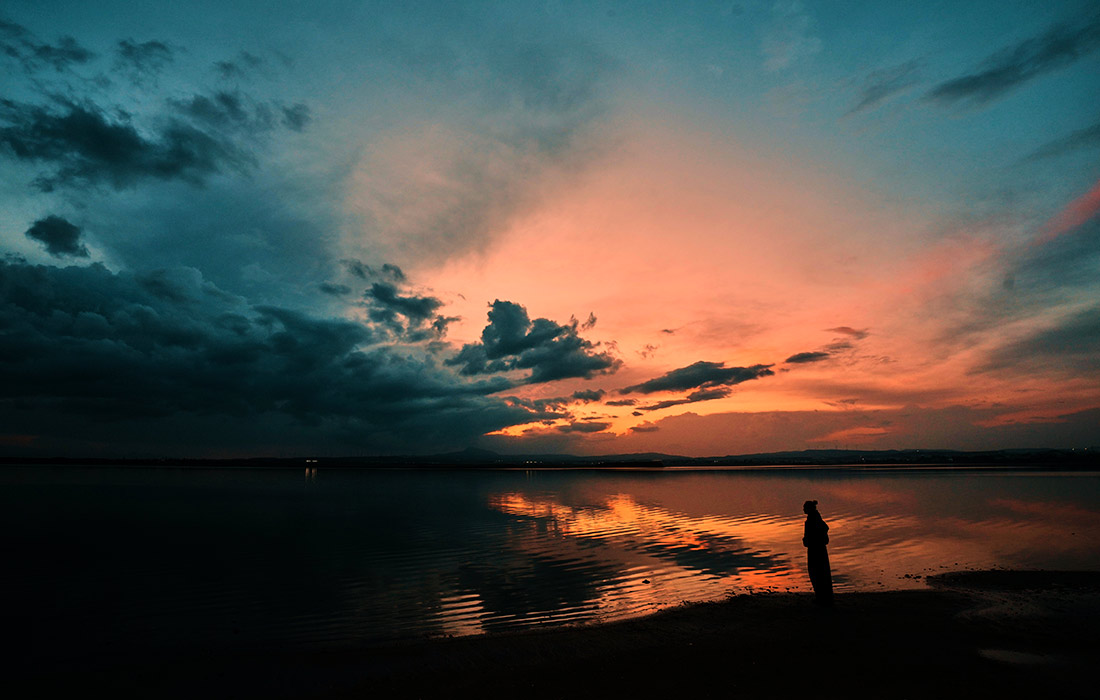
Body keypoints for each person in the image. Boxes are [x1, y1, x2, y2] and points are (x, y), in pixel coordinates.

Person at [802, 500, 833, 606]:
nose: (803, 509)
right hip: (818, 549)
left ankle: (822, 598)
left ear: (809, 508)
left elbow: (823, 529)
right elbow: (825, 528)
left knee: (817, 573)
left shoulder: (813, 519)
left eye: (805, 507)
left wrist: (807, 540)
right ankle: (822, 597)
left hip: (816, 550)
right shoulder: (815, 518)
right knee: (819, 573)